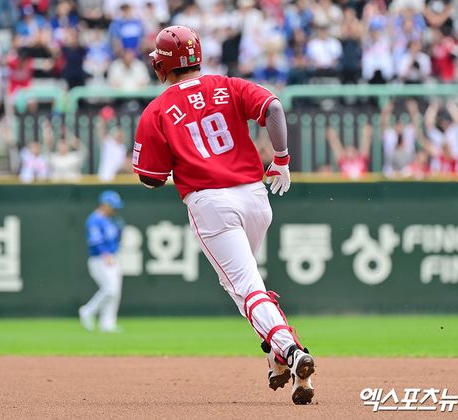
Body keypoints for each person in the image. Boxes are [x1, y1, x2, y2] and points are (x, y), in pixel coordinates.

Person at [133, 26, 314, 405]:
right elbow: (274, 108)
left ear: (162, 65)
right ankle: (276, 357)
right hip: (255, 197)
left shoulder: (157, 110)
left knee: (246, 287)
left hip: (212, 204)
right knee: (245, 286)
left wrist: (181, 156)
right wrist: (281, 159)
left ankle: (290, 349)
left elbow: (151, 178)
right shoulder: (228, 86)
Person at [79, 191, 124, 333]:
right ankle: (88, 310)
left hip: (112, 257)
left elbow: (115, 240)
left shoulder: (110, 220)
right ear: (105, 205)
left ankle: (107, 323)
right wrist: (105, 254)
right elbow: (95, 241)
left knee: (115, 292)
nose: (115, 209)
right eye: (113, 206)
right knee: (110, 289)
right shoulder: (94, 219)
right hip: (99, 259)